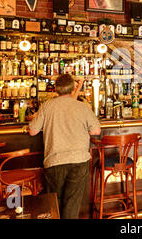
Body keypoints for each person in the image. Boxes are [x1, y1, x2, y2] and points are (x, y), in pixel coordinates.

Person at [28, 74, 100, 219]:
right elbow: (96, 131)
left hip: (54, 161)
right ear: (73, 88)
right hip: (79, 161)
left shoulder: (47, 106)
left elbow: (32, 131)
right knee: (71, 206)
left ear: (55, 89)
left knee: (54, 205)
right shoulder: (82, 107)